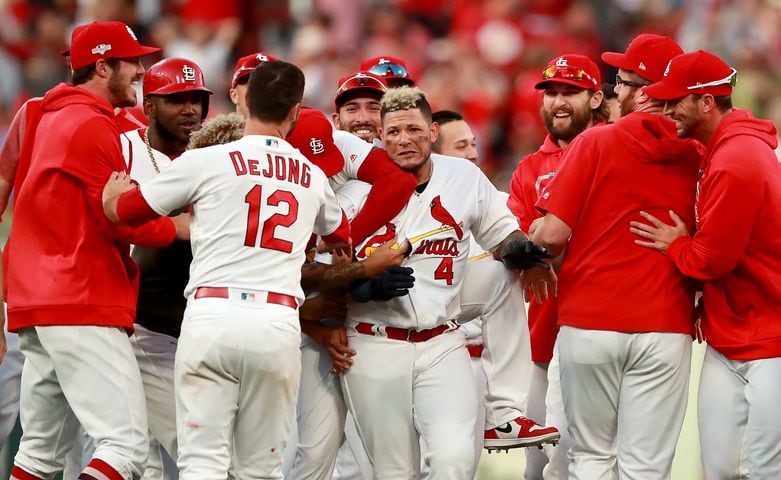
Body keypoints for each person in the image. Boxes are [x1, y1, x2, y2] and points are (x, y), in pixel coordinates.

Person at [103, 59, 351, 479]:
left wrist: (112, 198)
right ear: (294, 111)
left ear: (243, 101)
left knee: (202, 463)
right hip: (275, 322)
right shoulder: (310, 175)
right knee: (260, 469)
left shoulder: (209, 161)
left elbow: (127, 212)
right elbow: (340, 233)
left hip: (211, 316)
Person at [341, 86, 552, 478]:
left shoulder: (462, 175)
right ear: (381, 136)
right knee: (393, 471)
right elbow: (324, 272)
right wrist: (362, 283)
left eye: (414, 130)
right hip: (375, 339)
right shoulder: (354, 191)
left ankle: (506, 410)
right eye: (394, 132)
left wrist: (523, 251)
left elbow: (501, 233)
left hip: (442, 340)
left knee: (454, 459)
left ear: (433, 131)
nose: (404, 140)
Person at [5, 21, 182, 480]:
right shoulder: (91, 124)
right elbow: (115, 218)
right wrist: (178, 228)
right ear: (103, 66)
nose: (141, 70)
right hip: (80, 297)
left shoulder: (47, 115)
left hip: (36, 302)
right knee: (124, 448)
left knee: (37, 454)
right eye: (133, 61)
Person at [529, 34, 703, 479]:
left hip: (590, 321)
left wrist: (534, 232)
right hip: (665, 324)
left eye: (623, 82)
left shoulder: (596, 142)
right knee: (646, 467)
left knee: (590, 458)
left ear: (645, 91)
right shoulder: (698, 154)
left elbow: (550, 235)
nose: (615, 92)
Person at [631, 50, 781, 479]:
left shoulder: (737, 158)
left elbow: (712, 260)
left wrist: (677, 245)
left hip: (771, 337)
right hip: (731, 330)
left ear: (706, 102)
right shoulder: (723, 147)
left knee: (765, 470)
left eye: (675, 99)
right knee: (720, 469)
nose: (666, 108)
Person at [507, 53, 607, 480]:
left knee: (589, 455)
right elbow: (514, 240)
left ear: (596, 97)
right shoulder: (529, 168)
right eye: (551, 93)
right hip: (541, 331)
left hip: (599, 326)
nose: (558, 102)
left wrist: (546, 233)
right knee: (538, 462)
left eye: (571, 92)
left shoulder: (614, 150)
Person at [120, 56, 213, 480]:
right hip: (138, 324)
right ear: (150, 106)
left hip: (193, 331)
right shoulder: (123, 148)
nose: (190, 109)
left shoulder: (216, 156)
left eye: (196, 99)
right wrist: (173, 228)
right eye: (177, 100)